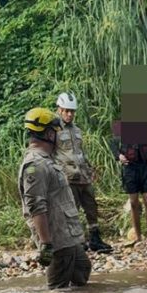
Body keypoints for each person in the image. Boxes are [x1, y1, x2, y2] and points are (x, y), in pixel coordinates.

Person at [19, 108, 91, 289]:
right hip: (57, 239)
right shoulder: (35, 165)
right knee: (58, 291)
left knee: (82, 269)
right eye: (58, 133)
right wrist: (46, 244)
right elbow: (36, 206)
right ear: (50, 134)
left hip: (68, 234)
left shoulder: (47, 160)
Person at [52, 92, 113, 253]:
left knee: (91, 206)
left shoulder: (77, 130)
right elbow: (50, 154)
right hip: (67, 177)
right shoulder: (53, 130)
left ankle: (95, 238)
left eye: (72, 111)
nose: (70, 114)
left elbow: (81, 152)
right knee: (72, 210)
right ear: (59, 109)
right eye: (67, 111)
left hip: (84, 176)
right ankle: (76, 241)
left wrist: (90, 168)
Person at [112, 137, 147, 245]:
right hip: (130, 166)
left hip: (146, 165)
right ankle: (138, 236)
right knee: (133, 202)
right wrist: (119, 155)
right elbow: (113, 143)